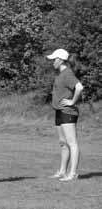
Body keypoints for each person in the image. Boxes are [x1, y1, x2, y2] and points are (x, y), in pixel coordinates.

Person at [47, 48, 84, 181]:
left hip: (67, 112)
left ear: (60, 60)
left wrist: (72, 101)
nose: (52, 63)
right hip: (59, 111)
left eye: (54, 60)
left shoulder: (67, 73)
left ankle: (72, 173)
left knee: (72, 143)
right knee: (63, 143)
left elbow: (79, 87)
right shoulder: (60, 74)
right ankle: (62, 171)